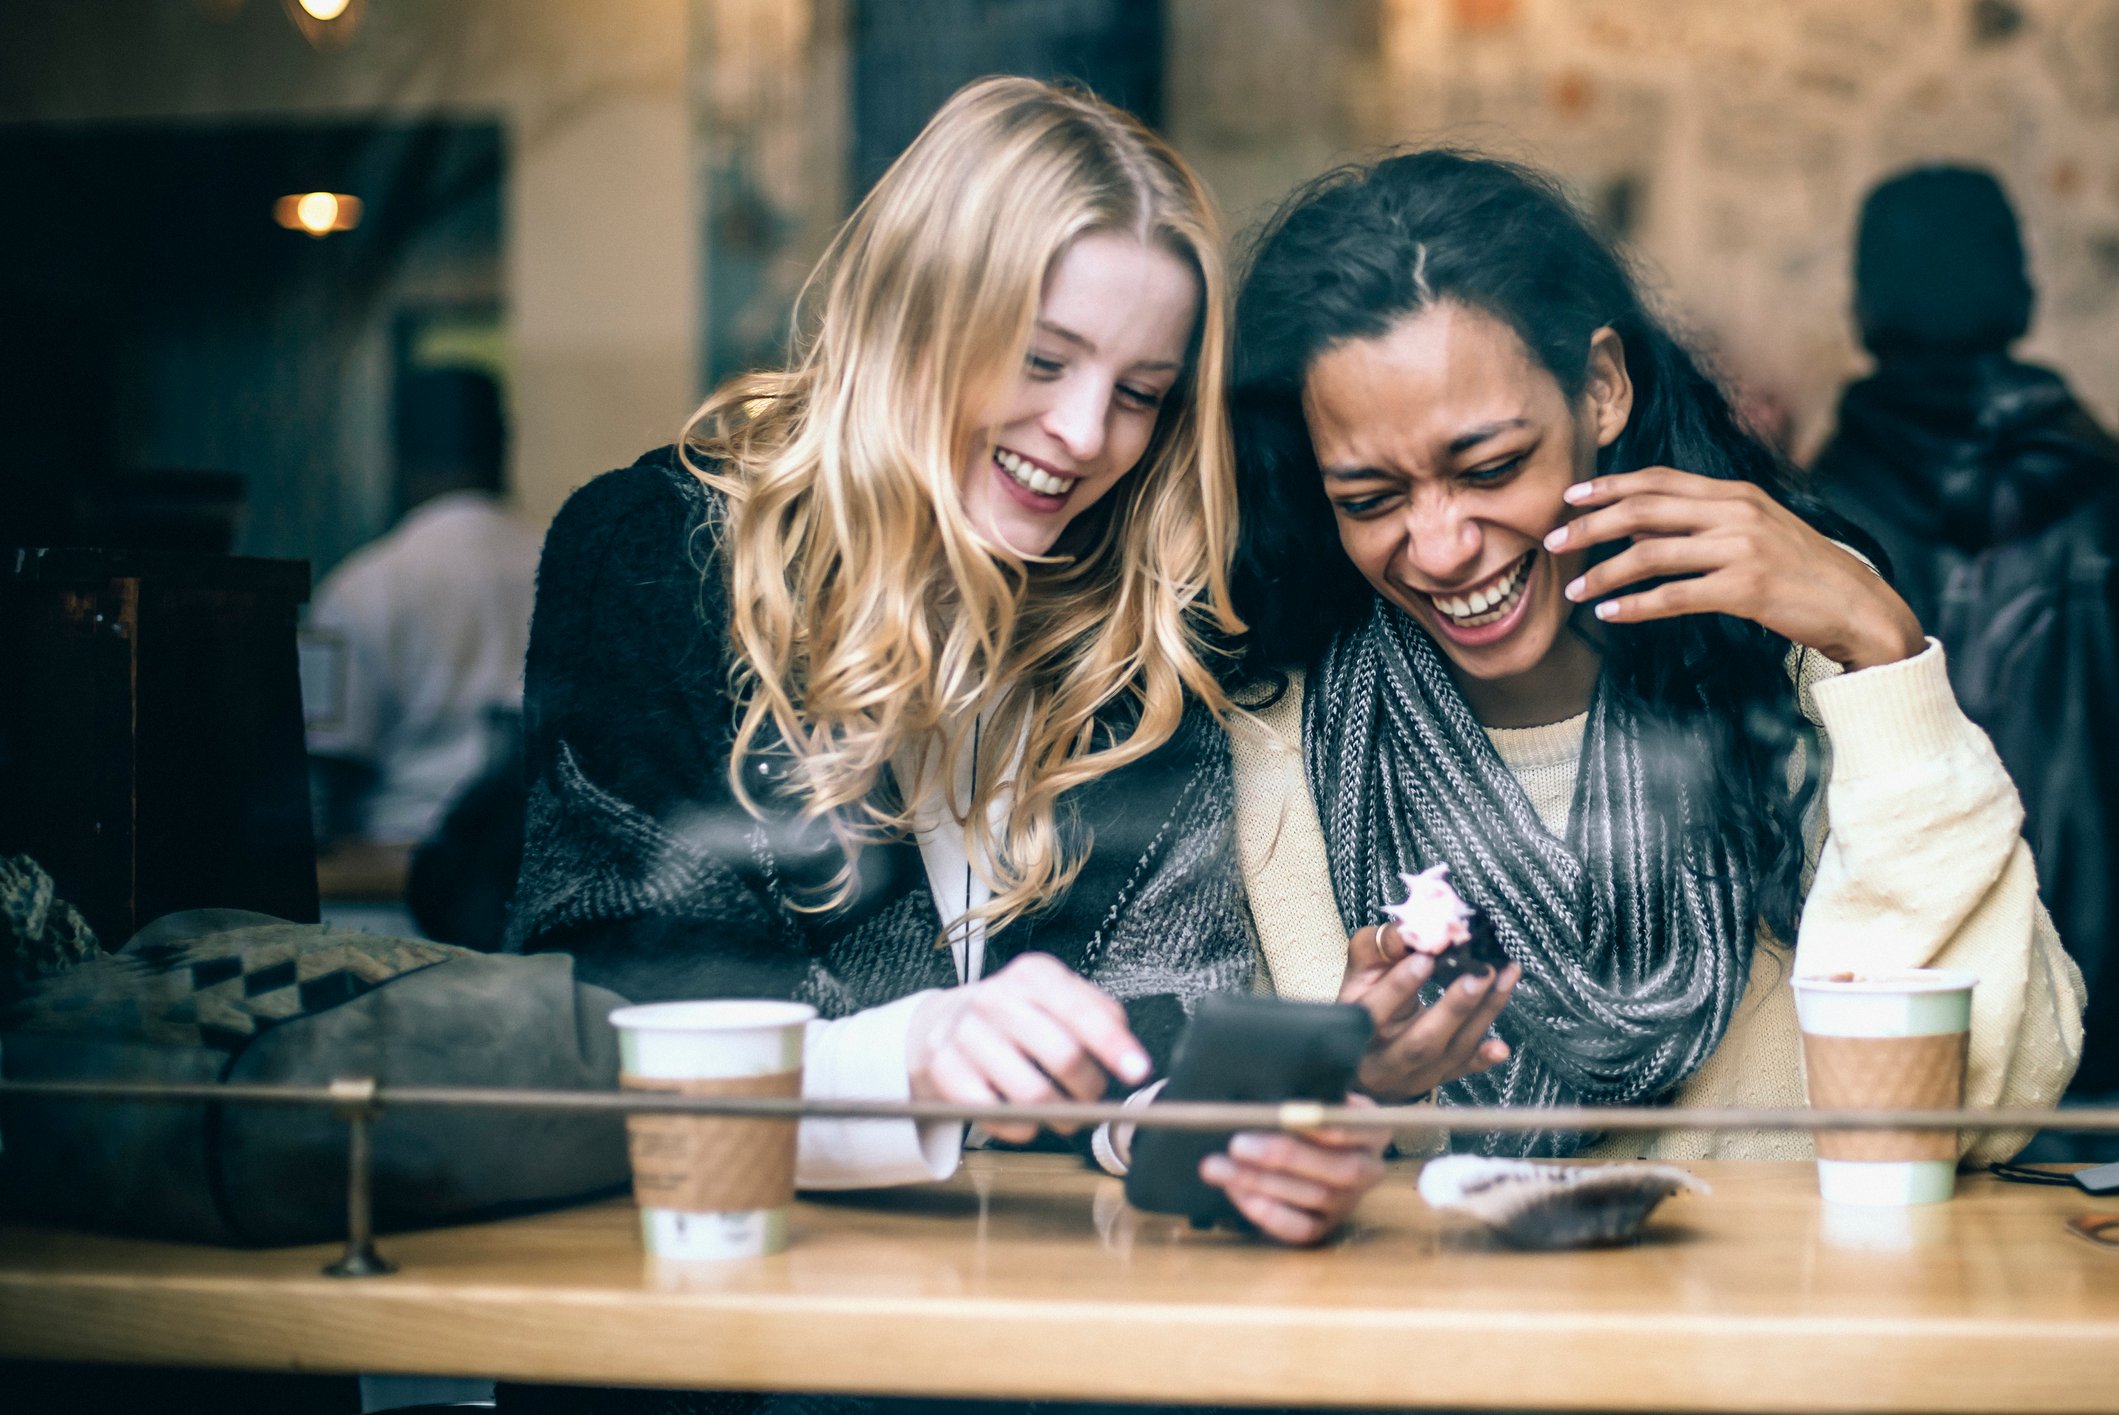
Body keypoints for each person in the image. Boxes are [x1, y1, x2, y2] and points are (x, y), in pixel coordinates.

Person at [507, 77, 1384, 1246]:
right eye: (1040, 359)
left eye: (1138, 395)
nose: (1084, 435)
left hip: (1020, 1323)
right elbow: (626, 1006)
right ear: (917, 312)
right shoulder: (659, 555)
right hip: (727, 1311)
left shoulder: (1133, 628)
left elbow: (1160, 1003)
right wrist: (910, 1054)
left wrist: (1209, 1128)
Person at [1224, 149, 2085, 1160]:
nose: (1442, 545)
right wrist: (1344, 1084)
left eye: (1492, 465)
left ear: (1599, 387)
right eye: (1369, 499)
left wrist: (1879, 651)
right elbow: (1221, 1166)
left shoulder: (1790, 681)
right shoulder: (1274, 743)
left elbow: (1994, 1090)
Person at [1811, 165, 2119, 1102]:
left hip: (1895, 997)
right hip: (2103, 995)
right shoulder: (2104, 496)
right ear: (2018, 292)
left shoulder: (1810, 523)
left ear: (1863, 308)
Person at [305, 368, 539, 898]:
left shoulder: (364, 585)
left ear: (396, 452)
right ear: (504, 442)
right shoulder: (565, 564)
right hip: (531, 880)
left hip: (394, 889)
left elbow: (325, 768)